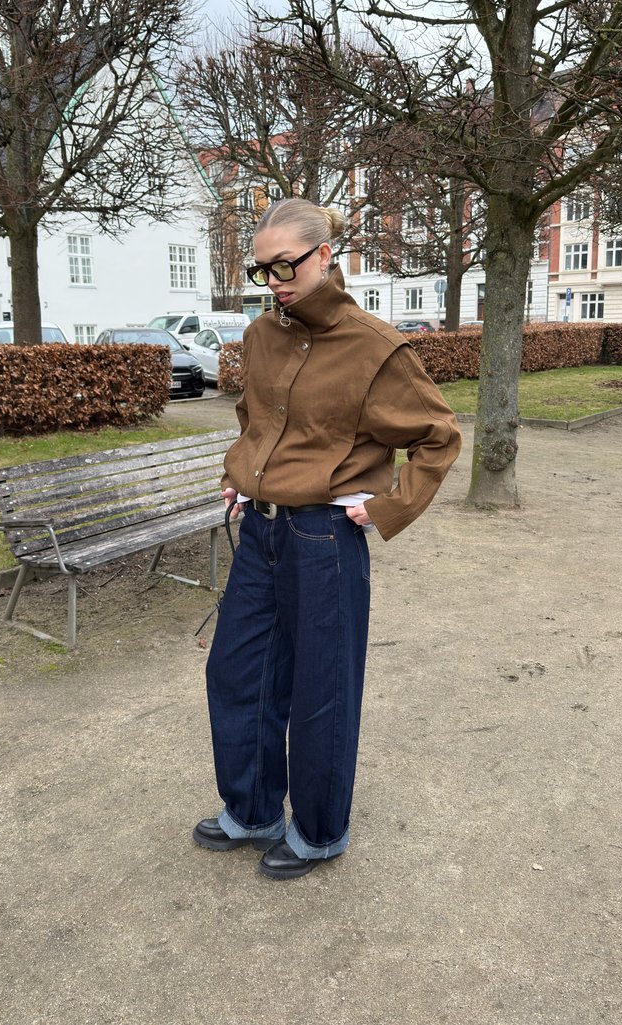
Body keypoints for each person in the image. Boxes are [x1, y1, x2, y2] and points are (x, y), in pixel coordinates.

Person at [193, 198, 462, 879]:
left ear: (325, 257)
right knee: (236, 670)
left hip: (323, 540)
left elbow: (439, 435)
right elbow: (254, 415)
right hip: (260, 532)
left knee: (321, 688)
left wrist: (390, 506)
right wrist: (241, 472)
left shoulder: (375, 347)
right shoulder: (260, 337)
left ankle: (317, 830)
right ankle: (252, 808)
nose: (276, 279)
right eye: (263, 268)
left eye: (287, 264)